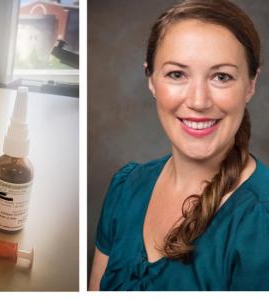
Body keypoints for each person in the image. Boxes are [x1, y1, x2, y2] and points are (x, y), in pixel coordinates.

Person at [89, 0, 269, 291]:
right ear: (151, 79)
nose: (198, 101)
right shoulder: (125, 187)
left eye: (221, 77)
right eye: (177, 74)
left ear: (250, 84)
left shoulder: (261, 223)